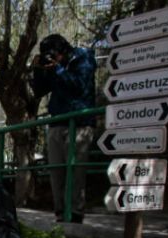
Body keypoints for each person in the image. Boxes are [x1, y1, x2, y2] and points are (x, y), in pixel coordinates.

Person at [30, 34, 97, 224]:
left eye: (53, 55)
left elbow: (79, 86)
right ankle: (60, 213)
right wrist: (37, 70)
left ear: (62, 51)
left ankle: (75, 213)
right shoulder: (53, 66)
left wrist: (58, 69)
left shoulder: (83, 58)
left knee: (75, 173)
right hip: (56, 122)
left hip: (80, 122)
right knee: (56, 172)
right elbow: (39, 91)